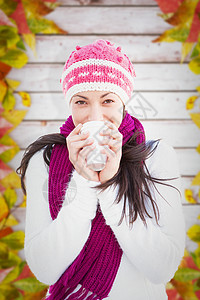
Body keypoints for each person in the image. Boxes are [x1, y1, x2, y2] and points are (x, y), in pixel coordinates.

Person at [16, 39, 186, 300]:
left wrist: (110, 187)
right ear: (69, 104)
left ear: (123, 102)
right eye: (81, 102)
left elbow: (162, 268)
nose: (95, 117)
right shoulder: (45, 160)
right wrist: (84, 180)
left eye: (107, 101)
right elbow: (45, 269)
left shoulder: (156, 157)